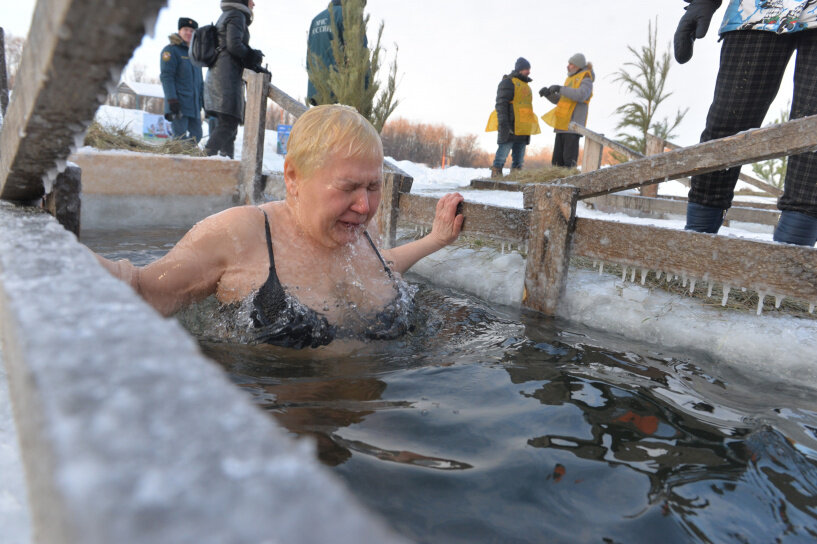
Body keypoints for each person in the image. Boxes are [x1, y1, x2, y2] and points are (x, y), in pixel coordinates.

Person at [96, 105, 465, 349]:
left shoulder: (357, 235)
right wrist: (52, 254)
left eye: (373, 186)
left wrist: (436, 240)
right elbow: (143, 291)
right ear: (293, 177)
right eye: (349, 187)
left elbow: (381, 266)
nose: (365, 205)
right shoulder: (241, 233)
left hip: (368, 423)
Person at [675, 0, 817, 246]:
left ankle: (788, 267)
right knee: (727, 125)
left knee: (814, 139)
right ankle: (695, 248)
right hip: (757, 9)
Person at [204, 0, 266, 158]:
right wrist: (252, 55)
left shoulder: (227, 14)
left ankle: (226, 164)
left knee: (229, 126)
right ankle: (204, 157)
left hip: (221, 75)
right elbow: (234, 46)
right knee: (229, 124)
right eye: (251, 0)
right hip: (227, 78)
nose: (254, 4)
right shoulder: (237, 15)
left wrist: (251, 59)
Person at [305, 0, 369, 107]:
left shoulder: (316, 19)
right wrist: (365, 93)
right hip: (341, 93)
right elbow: (361, 57)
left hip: (316, 91)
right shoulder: (348, 16)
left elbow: (309, 58)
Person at [486, 57, 540, 178]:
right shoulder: (508, 83)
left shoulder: (525, 85)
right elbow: (501, 104)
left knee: (519, 157)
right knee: (503, 152)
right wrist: (504, 123)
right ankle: (496, 175)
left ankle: (516, 177)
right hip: (510, 123)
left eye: (529, 69)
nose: (529, 71)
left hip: (523, 126)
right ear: (519, 69)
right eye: (526, 69)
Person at [540, 53, 595, 168]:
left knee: (568, 162)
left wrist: (560, 89)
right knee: (556, 162)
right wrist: (548, 94)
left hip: (573, 126)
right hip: (562, 125)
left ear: (578, 65)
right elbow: (561, 100)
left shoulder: (586, 78)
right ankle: (556, 184)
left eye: (571, 64)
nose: (568, 66)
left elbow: (581, 95)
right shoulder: (570, 79)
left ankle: (568, 184)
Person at [160, 17, 204, 143]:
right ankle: (177, 159)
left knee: (197, 136)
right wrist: (172, 100)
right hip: (179, 104)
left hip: (194, 106)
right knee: (180, 138)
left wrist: (202, 101)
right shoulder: (171, 51)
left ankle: (185, 158)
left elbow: (200, 82)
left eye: (192, 31)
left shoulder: (195, 54)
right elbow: (166, 77)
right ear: (179, 31)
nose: (189, 33)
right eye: (186, 29)